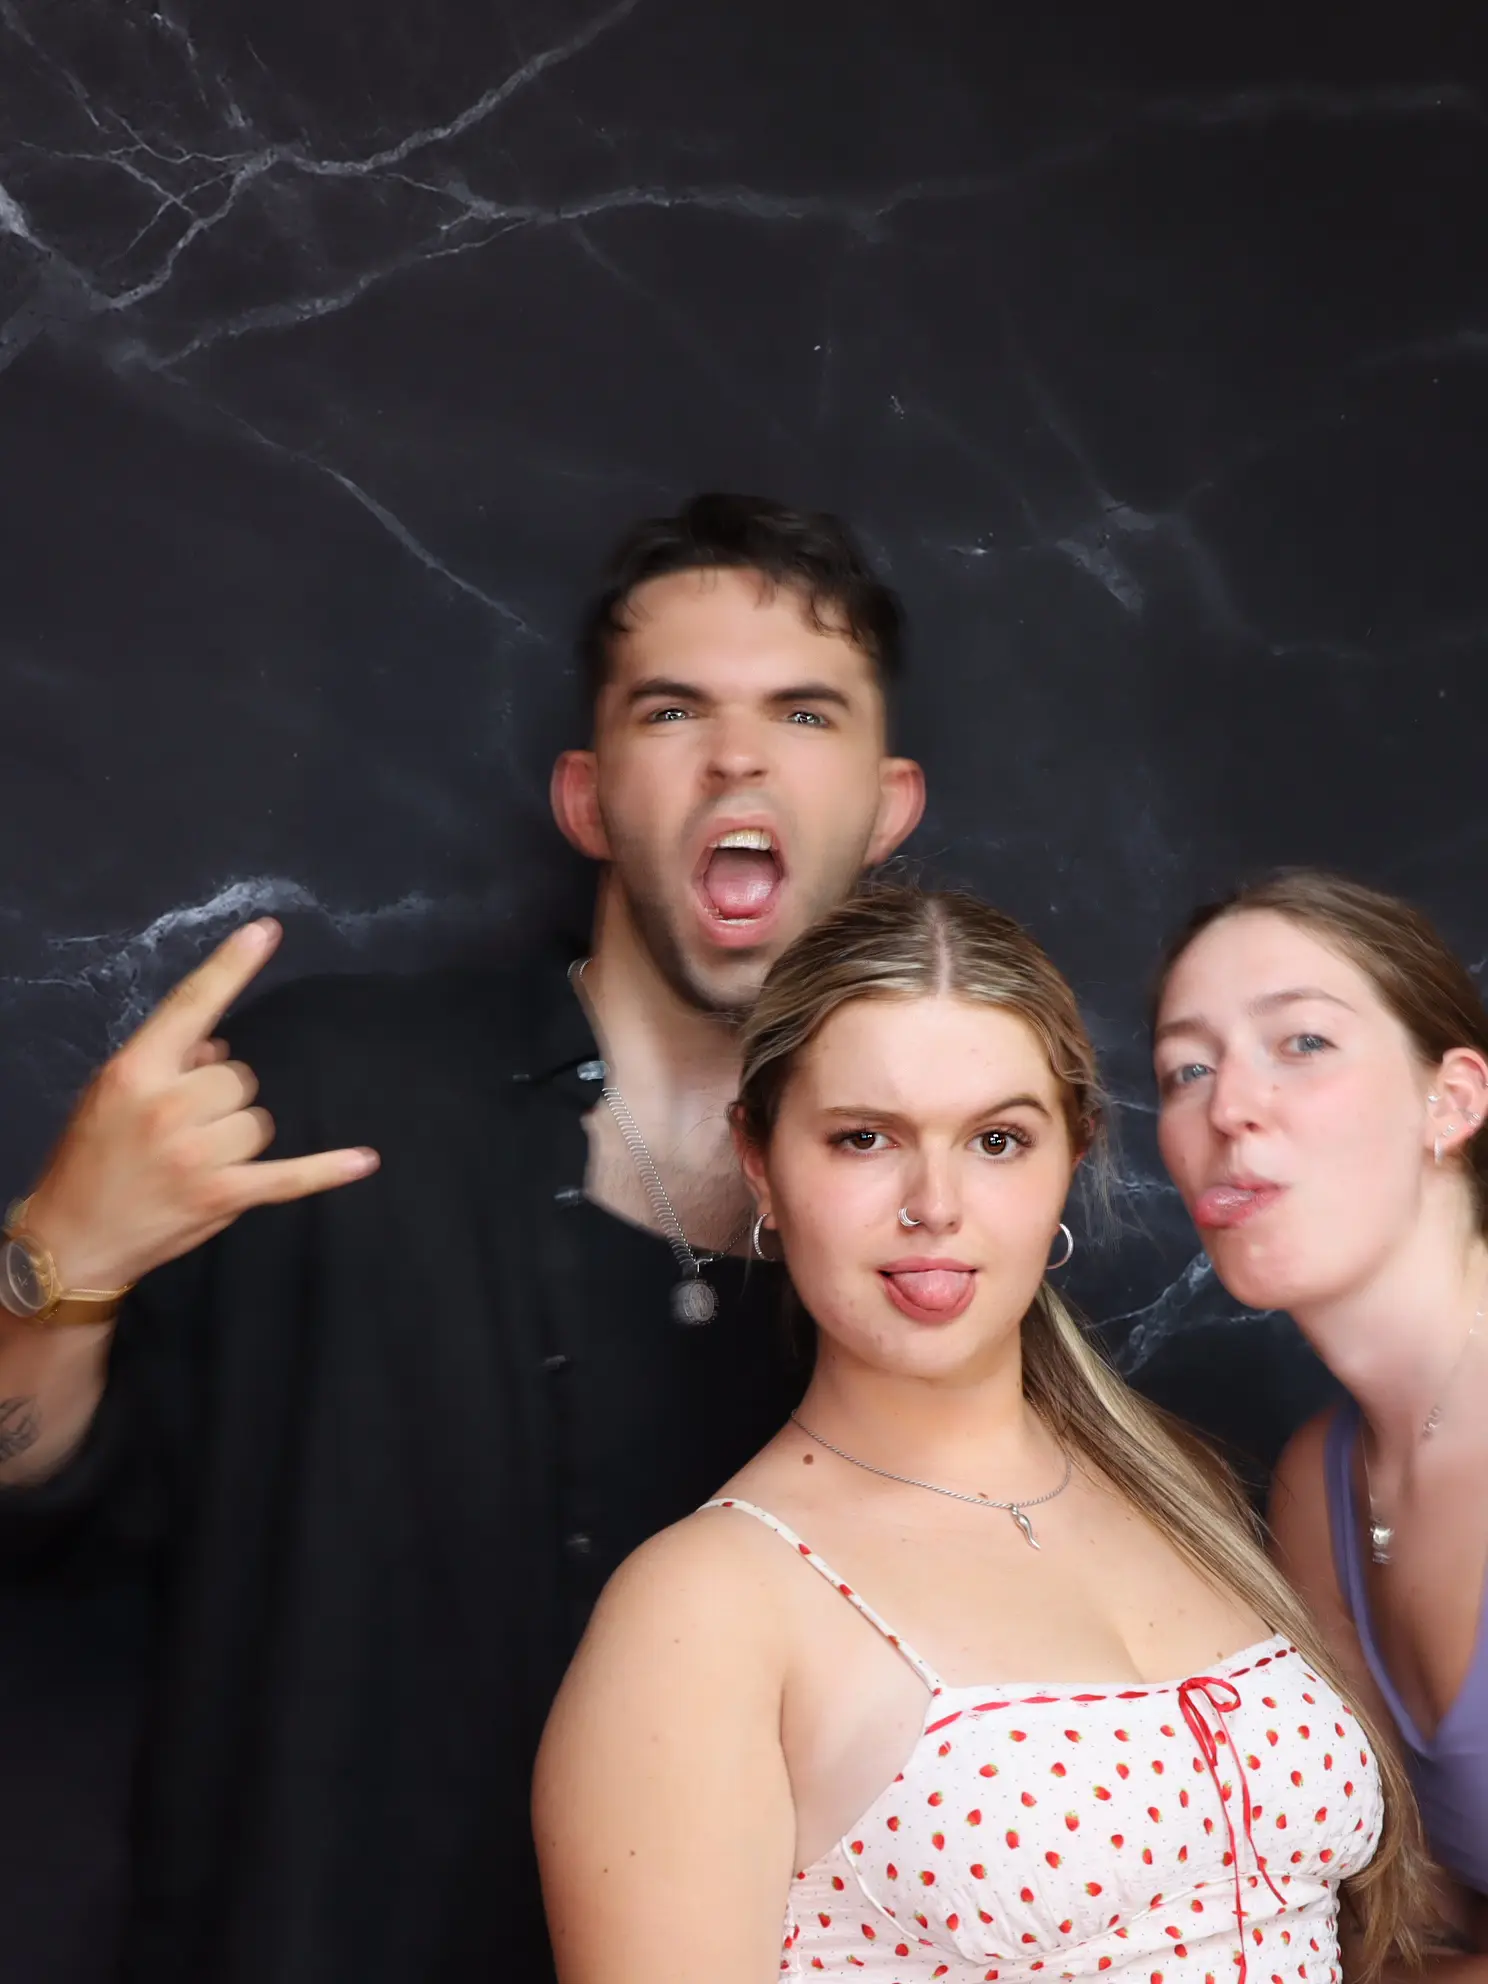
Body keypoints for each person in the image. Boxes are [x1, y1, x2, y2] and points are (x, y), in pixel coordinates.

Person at [0, 493, 925, 1984]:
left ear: (887, 805)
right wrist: (54, 1258)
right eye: (674, 708)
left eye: (803, 712)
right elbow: (33, 1518)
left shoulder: (927, 1229)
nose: (738, 755)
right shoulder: (323, 1101)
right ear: (588, 798)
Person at [534, 885, 1427, 1984]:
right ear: (760, 1160)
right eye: (865, 1138)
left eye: (998, 1140)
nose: (936, 1204)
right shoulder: (705, 1611)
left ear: (1072, 1155)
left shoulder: (1185, 1489)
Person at [1152, 869, 1488, 1936]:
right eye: (1186, 1069)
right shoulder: (1323, 1487)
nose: (1227, 1107)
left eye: (1302, 1042)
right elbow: (1406, 1931)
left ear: (1452, 1101)